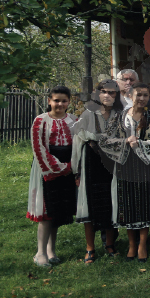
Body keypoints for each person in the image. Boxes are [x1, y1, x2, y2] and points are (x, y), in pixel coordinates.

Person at [99, 82, 150, 263]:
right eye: (138, 95)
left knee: (145, 203)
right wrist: (124, 142)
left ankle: (142, 244)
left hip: (146, 166)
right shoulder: (119, 117)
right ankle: (132, 244)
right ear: (131, 96)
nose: (141, 98)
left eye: (145, 95)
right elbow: (105, 140)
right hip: (124, 165)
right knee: (128, 204)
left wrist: (142, 144)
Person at [28, 86, 78, 267]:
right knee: (46, 211)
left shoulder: (74, 120)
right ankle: (40, 252)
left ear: (69, 102)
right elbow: (38, 148)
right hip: (46, 168)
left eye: (64, 101)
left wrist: (72, 165)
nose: (60, 104)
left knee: (56, 211)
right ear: (49, 101)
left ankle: (51, 250)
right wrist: (58, 167)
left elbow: (78, 145)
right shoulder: (40, 121)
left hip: (69, 167)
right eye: (56, 100)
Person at [72, 80, 122, 262]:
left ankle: (110, 245)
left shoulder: (119, 114)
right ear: (98, 94)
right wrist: (76, 171)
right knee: (90, 204)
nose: (108, 95)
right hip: (90, 161)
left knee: (110, 202)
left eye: (112, 93)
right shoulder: (88, 114)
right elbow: (78, 143)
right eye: (104, 92)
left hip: (111, 162)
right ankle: (90, 248)